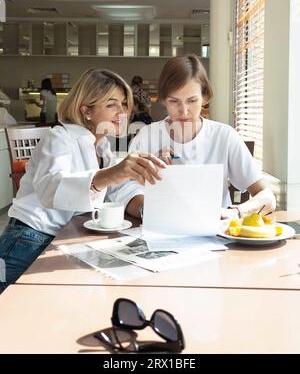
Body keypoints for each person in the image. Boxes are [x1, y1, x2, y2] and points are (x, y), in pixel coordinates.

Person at [0, 68, 165, 293]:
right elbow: (52, 189)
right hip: (29, 239)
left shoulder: (102, 147)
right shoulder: (59, 137)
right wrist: (114, 173)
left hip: (63, 238)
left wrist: (151, 183)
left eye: (124, 104)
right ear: (86, 110)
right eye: (111, 105)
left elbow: (115, 191)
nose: (122, 112)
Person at [128, 54, 276, 220]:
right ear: (163, 100)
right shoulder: (147, 136)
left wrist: (236, 212)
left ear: (205, 97)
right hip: (161, 228)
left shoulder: (224, 136)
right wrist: (147, 208)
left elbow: (268, 197)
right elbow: (125, 191)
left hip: (215, 233)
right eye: (174, 101)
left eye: (192, 100)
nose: (183, 111)